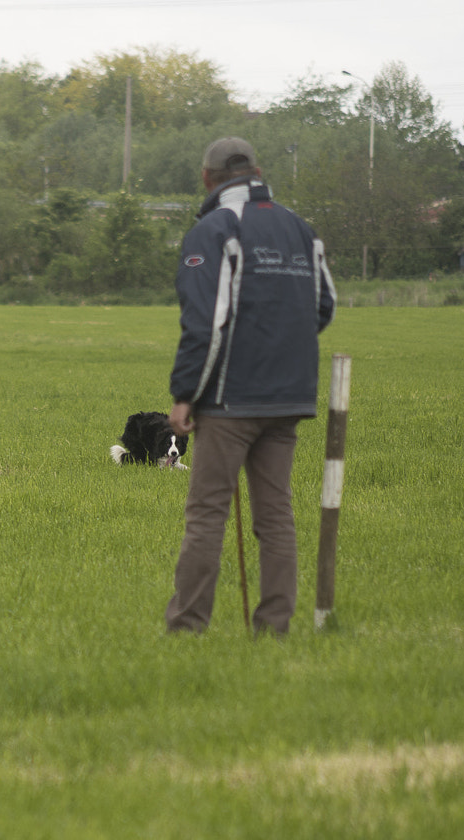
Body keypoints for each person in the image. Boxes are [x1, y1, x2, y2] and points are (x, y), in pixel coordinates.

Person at [164, 137, 336, 635]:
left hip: (229, 401)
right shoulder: (301, 229)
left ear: (206, 178)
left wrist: (185, 395)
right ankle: (274, 630)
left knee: (206, 515)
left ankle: (186, 629)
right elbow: (323, 306)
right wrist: (279, 349)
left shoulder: (214, 230)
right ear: (258, 172)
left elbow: (205, 324)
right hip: (290, 398)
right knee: (276, 517)